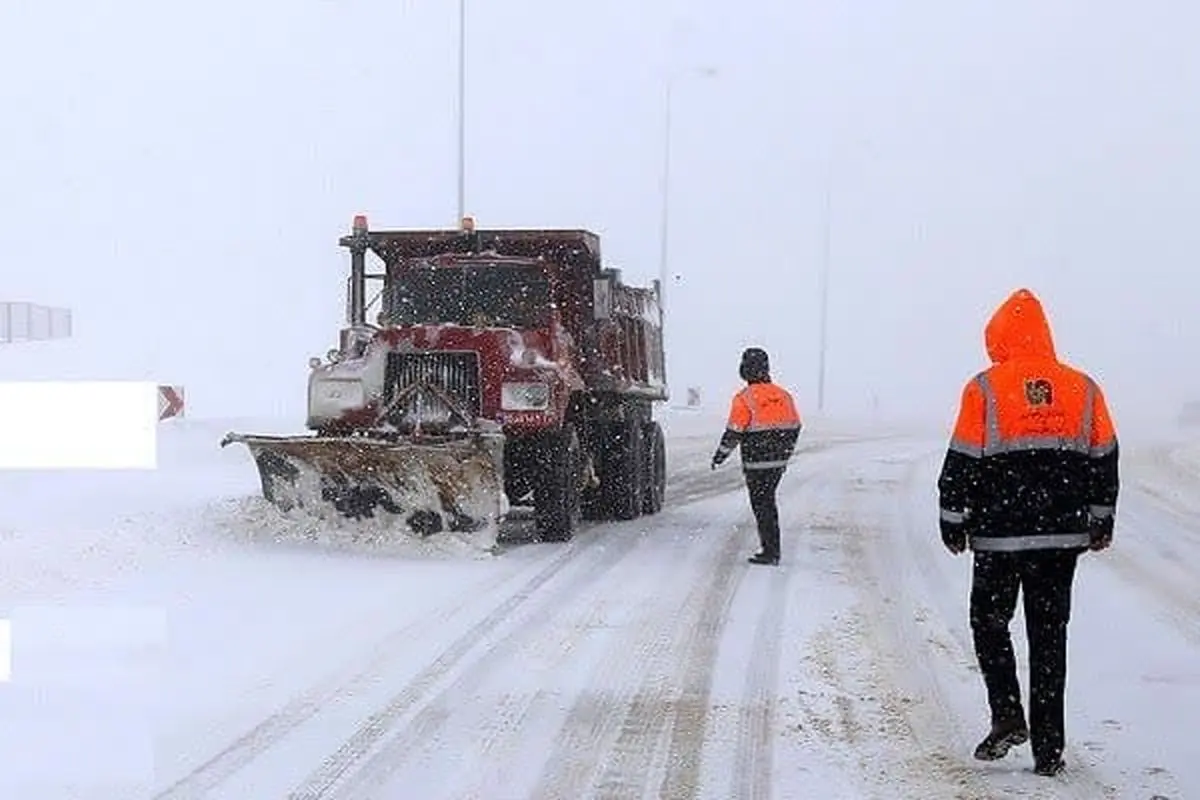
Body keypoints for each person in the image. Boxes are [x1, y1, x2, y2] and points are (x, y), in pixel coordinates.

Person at [937, 288, 1119, 777]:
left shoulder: (986, 388)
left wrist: (952, 519)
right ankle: (1049, 750)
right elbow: (1105, 458)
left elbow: (962, 460)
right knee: (1049, 636)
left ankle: (1007, 714)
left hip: (998, 537)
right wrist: (1102, 519)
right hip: (1060, 540)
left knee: (989, 623)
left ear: (999, 337)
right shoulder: (1083, 388)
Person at [711, 347, 803, 565]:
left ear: (744, 371)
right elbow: (795, 425)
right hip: (777, 463)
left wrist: (720, 456)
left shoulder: (744, 398)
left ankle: (771, 551)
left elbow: (734, 432)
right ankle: (771, 548)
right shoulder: (784, 395)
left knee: (762, 505)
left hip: (756, 463)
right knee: (768, 502)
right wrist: (784, 451)